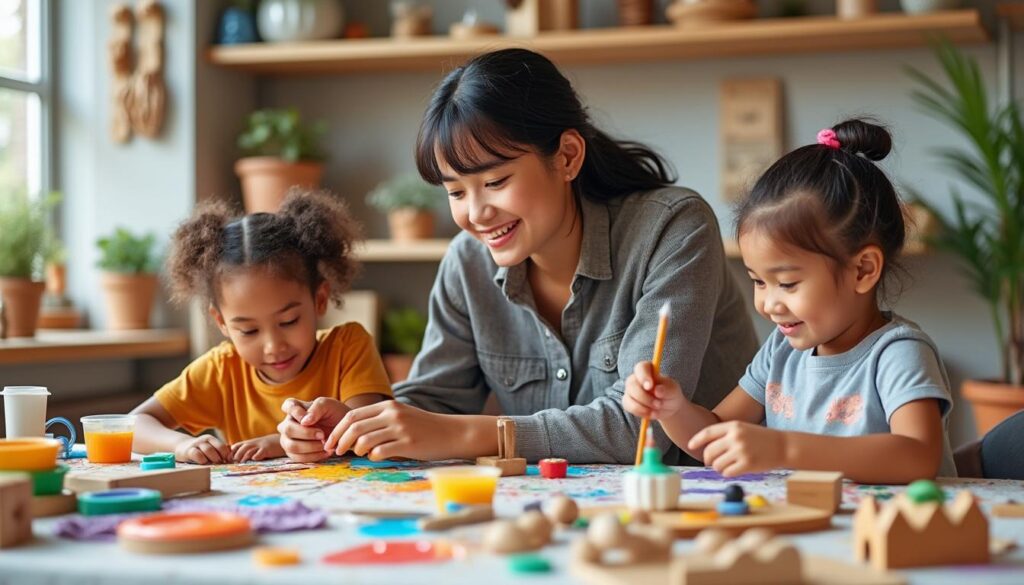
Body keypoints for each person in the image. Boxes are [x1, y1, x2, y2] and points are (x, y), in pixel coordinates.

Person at [278, 48, 757, 464]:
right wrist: (354, 428)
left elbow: (641, 427)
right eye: (456, 192)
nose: (476, 213)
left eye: (495, 182)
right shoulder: (468, 263)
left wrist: (465, 434)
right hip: (558, 509)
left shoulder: (672, 227)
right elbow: (433, 404)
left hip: (701, 497)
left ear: (568, 156)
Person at [623, 119, 957, 482]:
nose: (768, 303)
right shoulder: (782, 352)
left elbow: (917, 456)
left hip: (897, 533)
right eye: (758, 282)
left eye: (787, 283)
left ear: (862, 270)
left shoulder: (897, 353)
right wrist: (672, 408)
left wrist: (783, 448)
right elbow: (713, 438)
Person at [131, 190, 393, 464]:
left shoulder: (348, 347)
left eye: (288, 321)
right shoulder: (222, 371)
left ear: (320, 300)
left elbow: (366, 432)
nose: (273, 346)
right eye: (249, 331)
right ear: (221, 322)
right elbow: (134, 423)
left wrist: (280, 443)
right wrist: (182, 445)